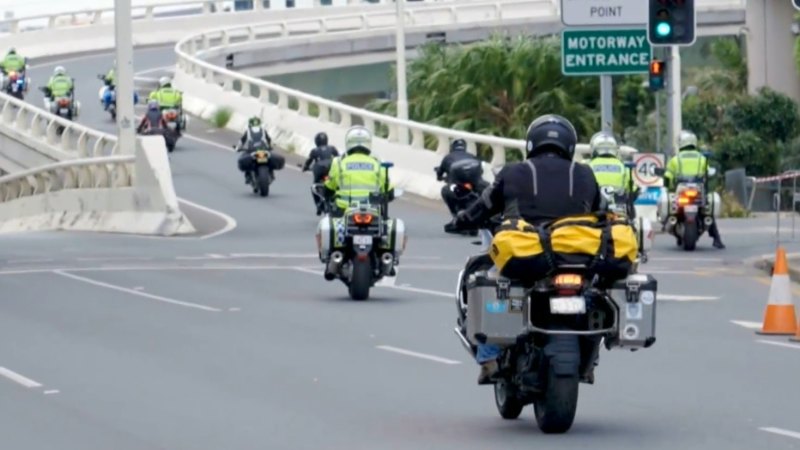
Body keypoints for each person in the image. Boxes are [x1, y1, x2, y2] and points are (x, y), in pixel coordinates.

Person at [452, 114, 602, 384]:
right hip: (576, 256)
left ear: (531, 143)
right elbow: (603, 212)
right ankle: (591, 359)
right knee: (596, 292)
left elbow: (483, 206)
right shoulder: (585, 174)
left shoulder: (512, 172)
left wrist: (461, 220)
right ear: (570, 145)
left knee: (479, 274)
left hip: (526, 254)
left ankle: (488, 358)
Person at [664, 130, 725, 249]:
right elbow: (708, 174)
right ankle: (716, 239)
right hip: (698, 190)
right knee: (707, 212)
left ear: (681, 143)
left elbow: (667, 177)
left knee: (671, 208)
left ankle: (670, 224)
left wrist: (668, 187)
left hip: (681, 190)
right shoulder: (702, 158)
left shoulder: (675, 160)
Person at [323, 125, 394, 216]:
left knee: (327, 225)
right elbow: (389, 191)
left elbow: (329, 187)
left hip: (343, 208)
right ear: (368, 143)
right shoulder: (378, 163)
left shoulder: (339, 162)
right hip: (372, 209)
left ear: (348, 143)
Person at [587, 131, 636, 217]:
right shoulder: (623, 167)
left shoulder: (588, 165)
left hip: (593, 210)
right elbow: (633, 189)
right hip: (618, 212)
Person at [437, 139, 489, 219]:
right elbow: (481, 170)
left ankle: (455, 214)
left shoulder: (447, 157)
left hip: (459, 185)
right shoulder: (471, 156)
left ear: (452, 147)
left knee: (445, 191)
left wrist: (440, 177)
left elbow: (440, 172)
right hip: (474, 182)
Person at [302, 132, 340, 214]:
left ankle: (318, 207)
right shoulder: (332, 148)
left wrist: (305, 167)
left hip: (320, 171)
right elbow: (339, 159)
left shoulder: (314, 150)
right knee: (337, 184)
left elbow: (309, 161)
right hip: (331, 170)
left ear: (316, 141)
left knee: (314, 187)